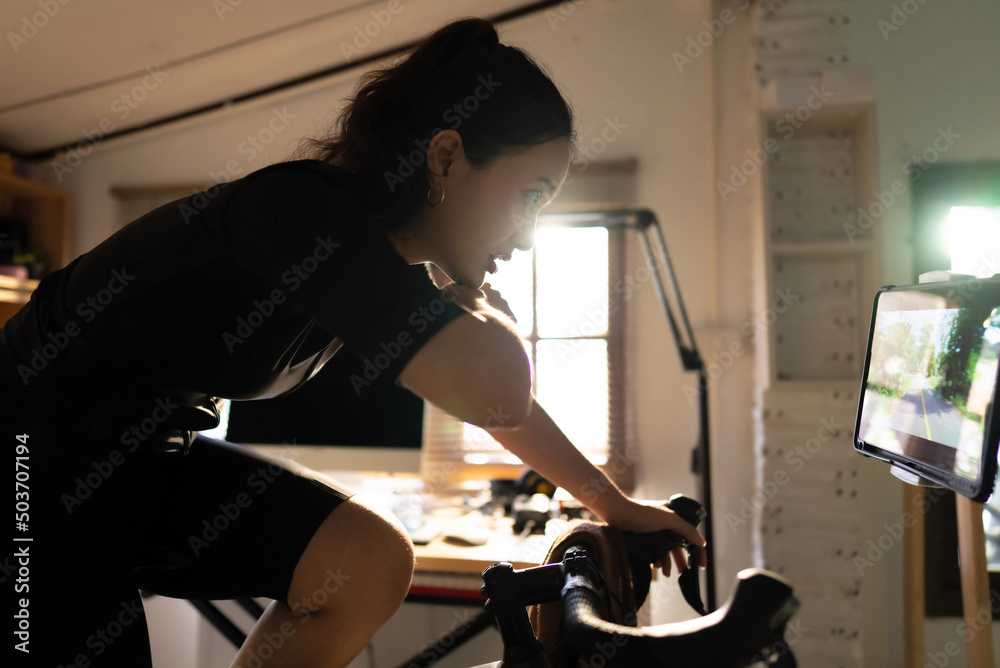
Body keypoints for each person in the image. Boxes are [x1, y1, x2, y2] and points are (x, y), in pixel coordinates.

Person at [0, 17, 705, 668]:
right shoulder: (306, 220)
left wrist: (612, 505)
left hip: (147, 461)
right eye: (530, 196)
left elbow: (499, 405)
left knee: (365, 560)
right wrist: (484, 303)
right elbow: (496, 387)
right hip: (31, 463)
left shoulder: (374, 263)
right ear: (446, 157)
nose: (524, 238)